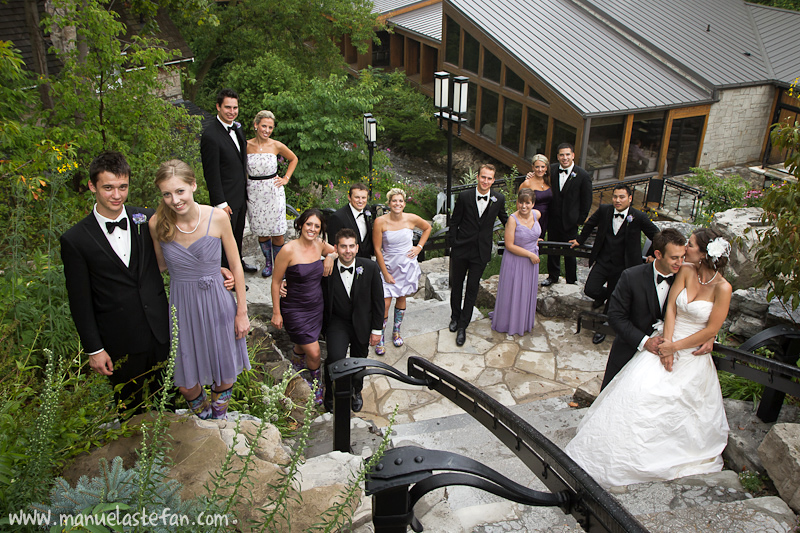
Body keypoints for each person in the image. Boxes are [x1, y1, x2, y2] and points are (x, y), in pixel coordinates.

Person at [565, 228, 732, 488]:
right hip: (644, 345)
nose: (683, 254)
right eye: (677, 254)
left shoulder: (694, 273)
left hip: (686, 351)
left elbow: (710, 321)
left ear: (702, 253)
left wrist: (705, 337)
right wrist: (658, 345)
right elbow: (621, 317)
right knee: (630, 399)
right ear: (657, 255)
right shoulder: (634, 276)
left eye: (688, 247)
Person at [61, 151, 169, 413]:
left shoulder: (146, 218)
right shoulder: (75, 239)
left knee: (170, 405)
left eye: (123, 187)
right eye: (108, 187)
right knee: (130, 411)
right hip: (119, 340)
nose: (117, 195)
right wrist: (94, 349)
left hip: (161, 332)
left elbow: (179, 250)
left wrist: (217, 270)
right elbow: (80, 300)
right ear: (92, 186)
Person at [149, 160, 250, 420]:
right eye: (167, 194)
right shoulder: (157, 223)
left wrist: (242, 312)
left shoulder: (217, 217)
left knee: (225, 371)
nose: (175, 199)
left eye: (180, 191)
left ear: (193, 185)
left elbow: (236, 266)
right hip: (182, 305)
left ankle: (218, 418)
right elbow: (159, 266)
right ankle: (202, 415)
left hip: (217, 302)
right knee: (185, 378)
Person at [569, 184, 659, 344]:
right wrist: (579, 240)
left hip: (625, 266)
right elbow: (589, 224)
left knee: (615, 297)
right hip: (604, 260)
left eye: (622, 197)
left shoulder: (638, 216)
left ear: (630, 199)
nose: (617, 200)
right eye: (615, 197)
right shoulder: (605, 210)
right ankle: (606, 297)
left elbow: (657, 235)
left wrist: (653, 255)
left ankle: (603, 326)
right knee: (591, 289)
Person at [271, 208, 336, 405]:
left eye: (317, 226)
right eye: (309, 224)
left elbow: (336, 250)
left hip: (315, 306)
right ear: (300, 225)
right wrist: (276, 312)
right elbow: (275, 281)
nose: (312, 229)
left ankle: (294, 370)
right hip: (294, 307)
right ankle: (316, 384)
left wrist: (331, 257)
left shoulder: (320, 245)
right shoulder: (288, 250)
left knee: (301, 344)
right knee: (315, 352)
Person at [321, 228, 384, 413]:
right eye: (343, 247)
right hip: (337, 323)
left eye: (351, 246)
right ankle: (331, 392)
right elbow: (306, 280)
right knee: (335, 358)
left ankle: (356, 391)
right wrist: (284, 283)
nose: (347, 251)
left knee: (359, 360)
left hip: (363, 322)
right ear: (336, 248)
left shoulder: (370, 267)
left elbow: (378, 300)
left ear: (357, 248)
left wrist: (377, 330)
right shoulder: (327, 267)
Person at [449, 164, 508, 346]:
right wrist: (454, 244)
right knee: (457, 285)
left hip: (480, 252)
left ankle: (463, 326)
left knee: (472, 288)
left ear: (493, 180)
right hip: (461, 249)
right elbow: (454, 222)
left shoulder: (499, 199)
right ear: (477, 177)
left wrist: (526, 232)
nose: (486, 181)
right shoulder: (465, 196)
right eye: (483, 177)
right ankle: (454, 317)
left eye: (489, 178)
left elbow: (506, 220)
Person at [200, 88, 257, 273]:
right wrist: (220, 203)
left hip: (240, 194)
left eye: (235, 107)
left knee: (238, 233)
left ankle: (238, 263)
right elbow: (211, 173)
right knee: (226, 238)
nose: (232, 111)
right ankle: (228, 274)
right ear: (218, 107)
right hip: (225, 200)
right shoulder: (210, 136)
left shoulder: (238, 129)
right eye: (227, 107)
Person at [372, 188, 432, 354]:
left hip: (406, 267)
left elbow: (427, 228)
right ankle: (380, 336)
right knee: (384, 303)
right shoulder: (380, 222)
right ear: (389, 203)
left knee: (401, 297)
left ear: (404, 203)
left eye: (400, 201)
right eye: (394, 201)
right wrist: (385, 273)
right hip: (388, 266)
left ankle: (396, 331)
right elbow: (377, 249)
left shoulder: (411, 218)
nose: (397, 204)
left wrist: (419, 247)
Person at [246, 110, 298, 278]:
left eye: (270, 127)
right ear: (256, 125)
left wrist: (286, 178)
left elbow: (293, 159)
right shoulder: (245, 145)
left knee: (277, 232)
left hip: (273, 192)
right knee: (262, 232)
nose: (267, 130)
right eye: (264, 126)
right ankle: (268, 262)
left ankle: (279, 265)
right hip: (254, 193)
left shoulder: (276, 145)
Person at [490, 188, 541, 336]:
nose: (523, 206)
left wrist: (534, 239)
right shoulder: (513, 220)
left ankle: (523, 321)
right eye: (521, 202)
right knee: (513, 291)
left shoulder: (537, 214)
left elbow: (534, 232)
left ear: (533, 204)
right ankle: (508, 322)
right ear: (517, 202)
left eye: (527, 203)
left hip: (530, 261)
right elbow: (509, 245)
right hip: (515, 260)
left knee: (526, 291)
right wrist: (530, 254)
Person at [542, 143, 592, 287]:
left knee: (570, 251)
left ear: (573, 155)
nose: (565, 158)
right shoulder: (551, 170)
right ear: (558, 156)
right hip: (553, 220)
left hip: (571, 222)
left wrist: (579, 221)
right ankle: (553, 276)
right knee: (552, 249)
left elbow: (587, 201)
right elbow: (539, 178)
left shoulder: (582, 175)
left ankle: (571, 279)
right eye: (562, 155)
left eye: (567, 154)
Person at [327, 183, 373, 259]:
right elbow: (333, 245)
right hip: (347, 261)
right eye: (357, 197)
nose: (360, 201)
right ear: (349, 197)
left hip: (366, 261)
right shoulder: (337, 217)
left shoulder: (367, 210)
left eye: (363, 198)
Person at [519, 154, 552, 236]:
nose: (540, 169)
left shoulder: (549, 180)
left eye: (542, 167)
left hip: (546, 218)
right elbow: (519, 205)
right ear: (533, 167)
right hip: (532, 220)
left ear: (546, 168)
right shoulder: (527, 183)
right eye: (537, 167)